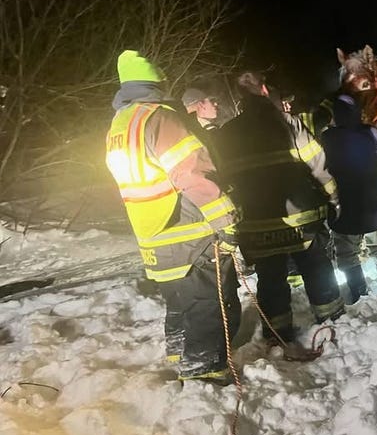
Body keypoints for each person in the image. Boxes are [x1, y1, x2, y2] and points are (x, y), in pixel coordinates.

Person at [105, 50, 240, 384]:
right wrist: (226, 221)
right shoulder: (160, 117)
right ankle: (204, 375)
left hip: (153, 235)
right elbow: (193, 174)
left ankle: (180, 354)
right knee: (209, 304)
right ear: (158, 81)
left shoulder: (120, 124)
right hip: (188, 232)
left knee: (179, 305)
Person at [215, 71, 344, 344]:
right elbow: (319, 166)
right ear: (264, 90)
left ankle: (277, 335)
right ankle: (333, 324)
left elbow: (221, 180)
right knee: (317, 269)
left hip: (257, 223)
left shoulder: (226, 134)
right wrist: (333, 199)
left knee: (270, 278)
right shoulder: (289, 123)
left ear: (240, 97)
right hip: (301, 219)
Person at [321, 94, 377, 302]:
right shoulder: (370, 132)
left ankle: (358, 293)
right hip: (374, 203)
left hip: (343, 206)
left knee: (346, 253)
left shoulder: (327, 137)